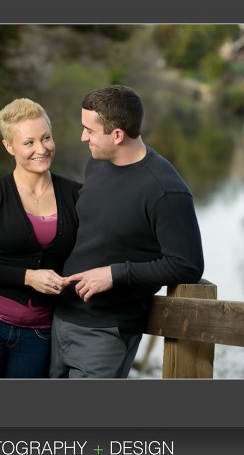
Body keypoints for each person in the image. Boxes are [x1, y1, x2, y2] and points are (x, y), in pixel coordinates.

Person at [50, 85, 204, 378]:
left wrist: (115, 273)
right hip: (59, 321)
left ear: (117, 135)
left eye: (89, 130)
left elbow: (187, 265)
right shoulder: (97, 163)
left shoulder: (166, 190)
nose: (83, 137)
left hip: (105, 334)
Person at [0, 98, 81, 377]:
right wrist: (29, 276)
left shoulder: (75, 195)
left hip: (39, 332)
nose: (41, 149)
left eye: (46, 138)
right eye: (29, 142)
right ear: (9, 146)